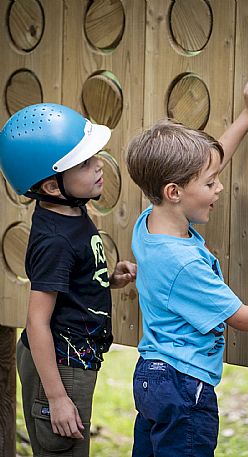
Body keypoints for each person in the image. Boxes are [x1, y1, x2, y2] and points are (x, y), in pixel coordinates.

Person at [126, 78, 248, 457]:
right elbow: (240, 317)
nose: (219, 188)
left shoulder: (149, 222)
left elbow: (205, 162)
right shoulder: (184, 264)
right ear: (174, 192)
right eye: (211, 183)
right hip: (183, 386)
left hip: (151, 378)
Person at [0, 103, 137, 457]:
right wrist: (58, 398)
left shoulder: (69, 210)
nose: (99, 167)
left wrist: (107, 277)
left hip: (71, 361)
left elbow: (70, 284)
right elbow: (37, 321)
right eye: (85, 163)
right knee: (64, 448)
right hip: (60, 368)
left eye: (96, 157)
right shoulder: (55, 240)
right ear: (52, 185)